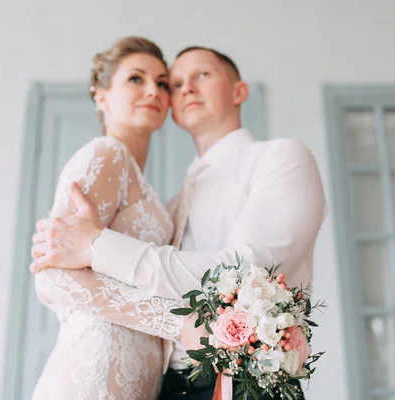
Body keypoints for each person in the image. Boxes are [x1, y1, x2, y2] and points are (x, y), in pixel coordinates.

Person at [31, 46, 326, 399]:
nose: (184, 88)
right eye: (177, 82)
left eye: (201, 74)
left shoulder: (280, 158)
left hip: (243, 379)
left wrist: (96, 246)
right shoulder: (174, 202)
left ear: (239, 91)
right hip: (163, 385)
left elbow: (248, 270)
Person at [30, 36, 184, 400]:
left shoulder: (140, 180)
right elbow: (51, 279)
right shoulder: (107, 153)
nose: (153, 90)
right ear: (101, 96)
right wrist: (173, 320)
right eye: (136, 79)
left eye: (162, 83)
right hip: (94, 370)